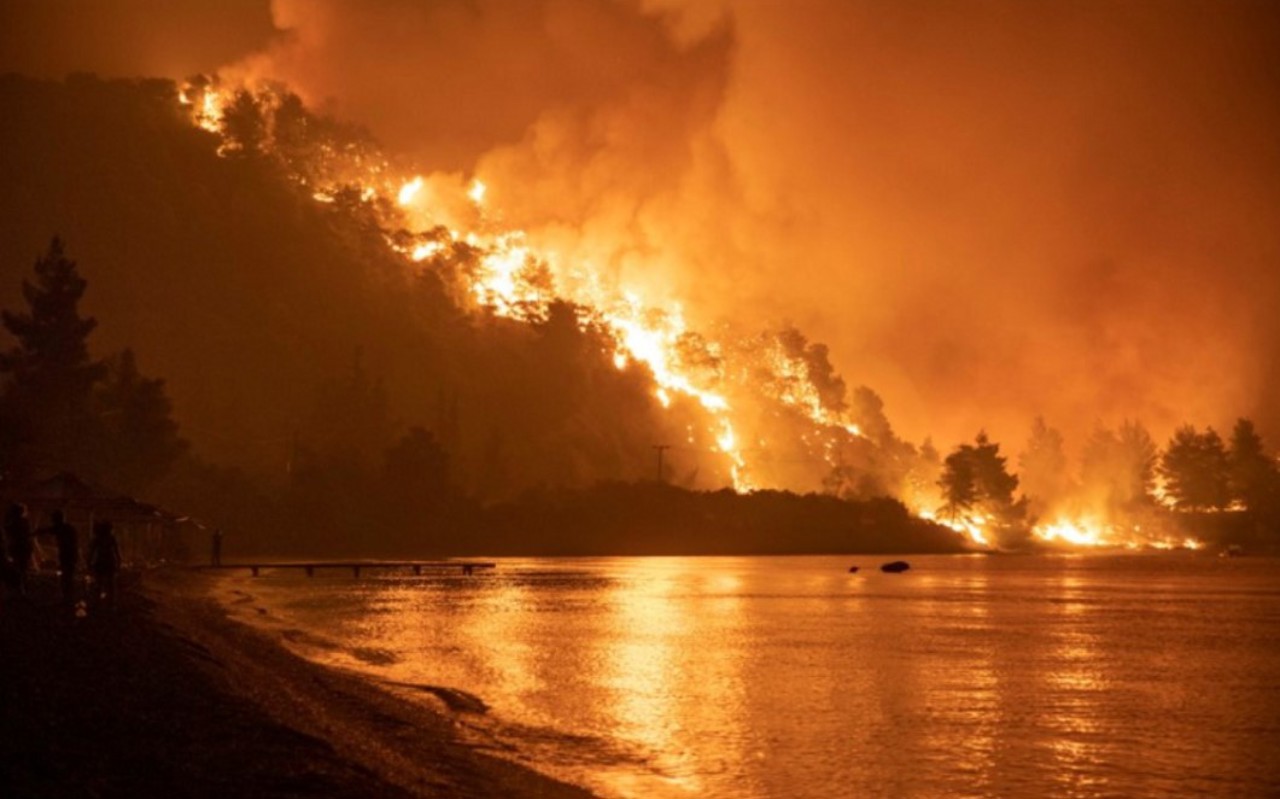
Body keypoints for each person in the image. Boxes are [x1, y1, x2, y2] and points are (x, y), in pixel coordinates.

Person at [42, 509, 79, 602]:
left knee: (66, 577)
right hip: (70, 554)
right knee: (68, 576)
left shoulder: (62, 528)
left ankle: (67, 597)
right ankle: (68, 596)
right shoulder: (68, 528)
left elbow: (46, 530)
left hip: (67, 555)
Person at [88, 520, 122, 608]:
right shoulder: (111, 538)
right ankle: (110, 603)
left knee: (99, 584)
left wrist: (89, 563)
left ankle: (98, 603)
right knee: (110, 585)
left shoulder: (98, 539)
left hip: (101, 563)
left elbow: (91, 552)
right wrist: (118, 563)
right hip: (109, 563)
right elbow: (117, 552)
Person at [3, 503, 34, 596]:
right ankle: (22, 589)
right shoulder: (23, 522)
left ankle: (20, 589)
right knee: (22, 569)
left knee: (19, 569)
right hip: (22, 548)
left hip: (18, 548)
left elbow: (8, 531)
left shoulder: (14, 523)